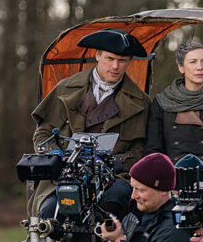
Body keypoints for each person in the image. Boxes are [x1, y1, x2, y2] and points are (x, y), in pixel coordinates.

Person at [29, 27, 150, 218]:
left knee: (113, 206)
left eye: (122, 61)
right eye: (110, 59)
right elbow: (42, 134)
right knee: (49, 215)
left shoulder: (142, 103)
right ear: (97, 56)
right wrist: (55, 156)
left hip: (114, 178)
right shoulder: (64, 89)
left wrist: (114, 163)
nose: (115, 66)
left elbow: (141, 149)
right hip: (63, 178)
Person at [145, 38, 203, 182]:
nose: (199, 67)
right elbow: (153, 150)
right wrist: (167, 181)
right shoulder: (161, 103)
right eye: (193, 62)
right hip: (170, 181)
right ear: (181, 67)